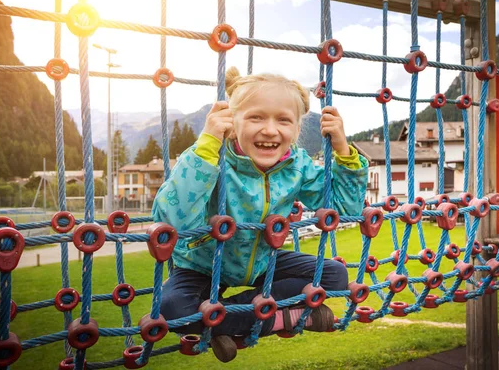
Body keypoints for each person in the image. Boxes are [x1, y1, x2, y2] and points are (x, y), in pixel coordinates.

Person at [152, 67, 368, 362]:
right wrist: (207, 146)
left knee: (334, 275)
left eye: (283, 120)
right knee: (170, 308)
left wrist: (343, 148)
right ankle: (278, 317)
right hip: (202, 262)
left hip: (263, 262)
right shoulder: (212, 156)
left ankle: (220, 320)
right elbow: (172, 220)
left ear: (295, 129)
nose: (269, 129)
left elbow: (345, 210)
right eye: (256, 117)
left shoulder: (297, 166)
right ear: (232, 120)